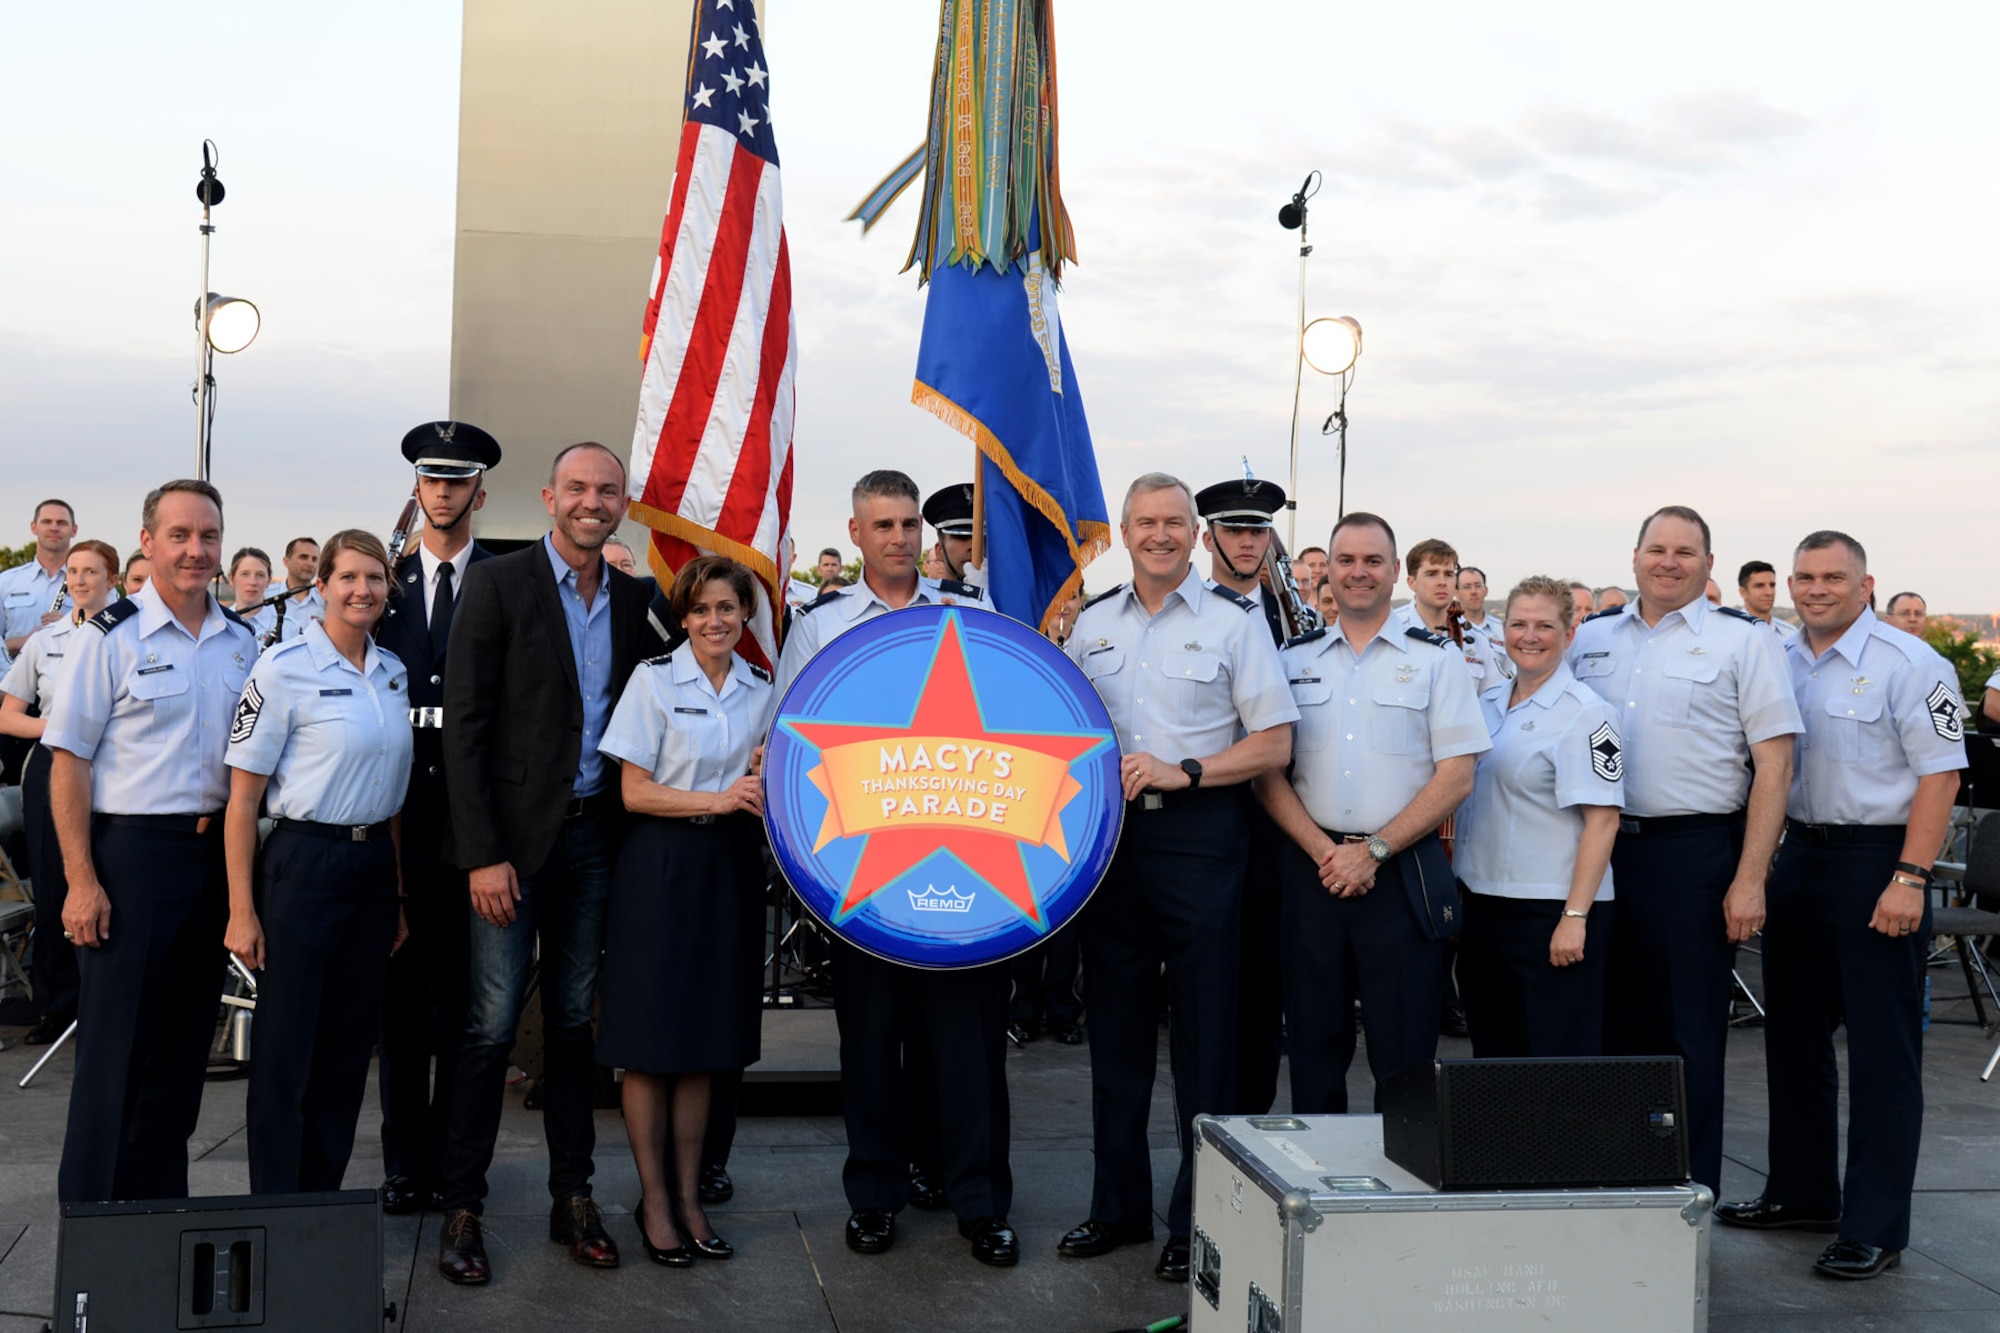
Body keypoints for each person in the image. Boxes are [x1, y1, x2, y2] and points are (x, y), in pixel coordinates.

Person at [436, 441, 664, 1284]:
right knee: (491, 1028)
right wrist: (482, 854)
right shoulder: (498, 584)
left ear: (622, 501)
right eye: (576, 487)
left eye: (606, 490)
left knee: (574, 1027)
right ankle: (464, 1205)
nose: (591, 501)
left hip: (597, 841)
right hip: (509, 851)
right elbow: (464, 729)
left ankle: (575, 1197)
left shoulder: (640, 597)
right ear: (547, 496)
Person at [1058, 473, 1296, 1283]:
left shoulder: (1235, 623)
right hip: (1111, 843)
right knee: (1115, 1033)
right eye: (1145, 522)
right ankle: (1117, 1207)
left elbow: (1273, 742)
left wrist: (1187, 768)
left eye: (1173, 522)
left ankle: (1197, 1219)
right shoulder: (1091, 625)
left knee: (1207, 1040)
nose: (1159, 534)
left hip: (1201, 835)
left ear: (1196, 535)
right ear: (1123, 532)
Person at [776, 470, 1016, 1268]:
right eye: (883, 525)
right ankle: (873, 1196)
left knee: (970, 1049)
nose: (900, 538)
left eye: (910, 523)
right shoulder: (820, 626)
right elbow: (789, 743)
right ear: (855, 531)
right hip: (865, 871)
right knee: (870, 1047)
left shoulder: (972, 616)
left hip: (967, 867)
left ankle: (981, 1202)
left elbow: (1011, 725)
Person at [1716, 531, 1966, 1281]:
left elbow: (1942, 777)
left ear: (1866, 583)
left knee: (1885, 1055)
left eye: (1833, 576)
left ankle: (1875, 1225)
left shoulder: (1912, 663)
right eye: (1804, 576)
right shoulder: (1778, 656)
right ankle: (1802, 1191)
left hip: (1879, 863)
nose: (1816, 588)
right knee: (1792, 1037)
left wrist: (1912, 876)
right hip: (1800, 857)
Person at [1567, 505, 1803, 1193]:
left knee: (1690, 1038)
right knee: (1612, 1031)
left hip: (1695, 856)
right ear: (1634, 556)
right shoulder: (1594, 639)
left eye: (1685, 551)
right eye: (1657, 549)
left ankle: (1687, 1200)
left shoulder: (1744, 642)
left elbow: (1776, 763)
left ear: (1708, 562)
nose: (1669, 561)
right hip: (1605, 854)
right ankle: (1617, 1186)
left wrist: (1750, 876)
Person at [43, 480, 258, 1203]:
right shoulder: (110, 637)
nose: (196, 550)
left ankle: (159, 1225)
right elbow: (67, 761)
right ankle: (96, 1249)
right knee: (115, 1061)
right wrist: (81, 879)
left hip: (212, 855)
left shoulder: (243, 642)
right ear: (148, 542)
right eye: (180, 535)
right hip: (132, 860)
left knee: (179, 1059)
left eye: (208, 535)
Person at [1254, 512, 1487, 1115]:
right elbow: (1268, 771)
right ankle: (1319, 1196)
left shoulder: (1437, 660)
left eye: (1373, 561)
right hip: (1314, 871)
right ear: (1326, 570)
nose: (1359, 573)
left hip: (1401, 874)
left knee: (1405, 1055)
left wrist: (1374, 850)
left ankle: (1402, 1196)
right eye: (1347, 561)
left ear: (1394, 573)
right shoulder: (1291, 660)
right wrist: (1322, 850)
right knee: (1312, 1048)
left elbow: (1457, 775)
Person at [223, 529, 412, 1193]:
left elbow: (393, 799)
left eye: (375, 578)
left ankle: (321, 1207)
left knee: (343, 1052)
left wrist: (394, 893)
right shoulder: (282, 667)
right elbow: (242, 799)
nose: (363, 589)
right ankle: (277, 1207)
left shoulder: (393, 670)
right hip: (302, 864)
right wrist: (242, 909)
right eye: (349, 577)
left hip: (369, 873)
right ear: (322, 584)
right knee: (286, 1054)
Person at [598, 556, 773, 1266]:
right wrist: (719, 798)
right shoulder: (654, 679)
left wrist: (765, 771)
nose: (714, 621)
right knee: (650, 1040)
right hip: (660, 862)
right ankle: (655, 1200)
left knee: (706, 1038)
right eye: (700, 609)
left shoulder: (764, 689)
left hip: (727, 867)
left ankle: (691, 1194)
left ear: (744, 615)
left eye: (727, 608)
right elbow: (634, 792)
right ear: (683, 616)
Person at [373, 420, 501, 1216]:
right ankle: (403, 1164)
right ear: (417, 489)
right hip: (396, 828)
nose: (445, 491)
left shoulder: (507, 579)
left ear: (478, 492)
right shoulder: (381, 584)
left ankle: (458, 1167)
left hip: (474, 832)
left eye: (458, 480)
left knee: (467, 1013)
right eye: (432, 478)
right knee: (400, 1011)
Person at [1455, 575, 1622, 1057]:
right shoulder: (1486, 705)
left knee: (1554, 1061)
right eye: (1519, 624)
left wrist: (1574, 917)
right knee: (1493, 1052)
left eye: (1545, 626)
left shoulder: (1587, 714)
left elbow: (1603, 821)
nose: (1529, 636)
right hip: (1483, 908)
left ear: (1570, 634)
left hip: (1550, 910)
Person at [1193, 477, 1290, 1116]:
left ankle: (1251, 1122)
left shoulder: (1296, 620)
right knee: (1209, 995)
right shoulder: (1196, 613)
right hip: (1210, 814)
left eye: (1258, 529)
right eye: (1235, 529)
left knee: (1264, 990)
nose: (1248, 541)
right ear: (1209, 538)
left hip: (1282, 828)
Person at [0, 538, 120, 1045]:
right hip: (53, 763)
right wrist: (57, 726)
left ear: (112, 578)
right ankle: (56, 1005)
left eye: (90, 571)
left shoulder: (129, 632)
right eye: (72, 572)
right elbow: (7, 715)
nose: (78, 580)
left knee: (113, 882)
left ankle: (109, 1000)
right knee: (55, 885)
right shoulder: (44, 642)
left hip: (116, 767)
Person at [1395, 539, 1497, 687]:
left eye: (1448, 574)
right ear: (1412, 582)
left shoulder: (1477, 640)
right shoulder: (1391, 629)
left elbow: (1492, 700)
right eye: (1432, 574)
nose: (1442, 582)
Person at [1, 499, 77, 656]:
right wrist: (26, 641)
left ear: (74, 530)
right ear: (33, 527)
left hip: (69, 677)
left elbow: (107, 641)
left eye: (61, 523)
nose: (54, 528)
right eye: (47, 522)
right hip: (14, 677)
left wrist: (71, 627)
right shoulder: (6, 583)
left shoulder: (94, 584)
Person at [920, 483, 987, 596]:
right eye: (961, 537)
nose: (973, 545)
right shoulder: (926, 603)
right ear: (940, 551)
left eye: (982, 537)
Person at [270, 537, 324, 643]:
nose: (310, 563)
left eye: (314, 559)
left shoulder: (327, 601)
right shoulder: (267, 598)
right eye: (303, 557)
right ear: (286, 561)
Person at [1738, 560, 1798, 637]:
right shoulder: (1730, 634)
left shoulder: (1790, 634)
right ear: (1743, 592)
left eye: (1772, 585)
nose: (1769, 592)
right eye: (1760, 586)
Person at [228, 547, 276, 641]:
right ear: (231, 578)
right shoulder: (217, 624)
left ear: (269, 581)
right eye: (245, 574)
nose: (252, 582)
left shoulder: (288, 628)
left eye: (260, 575)